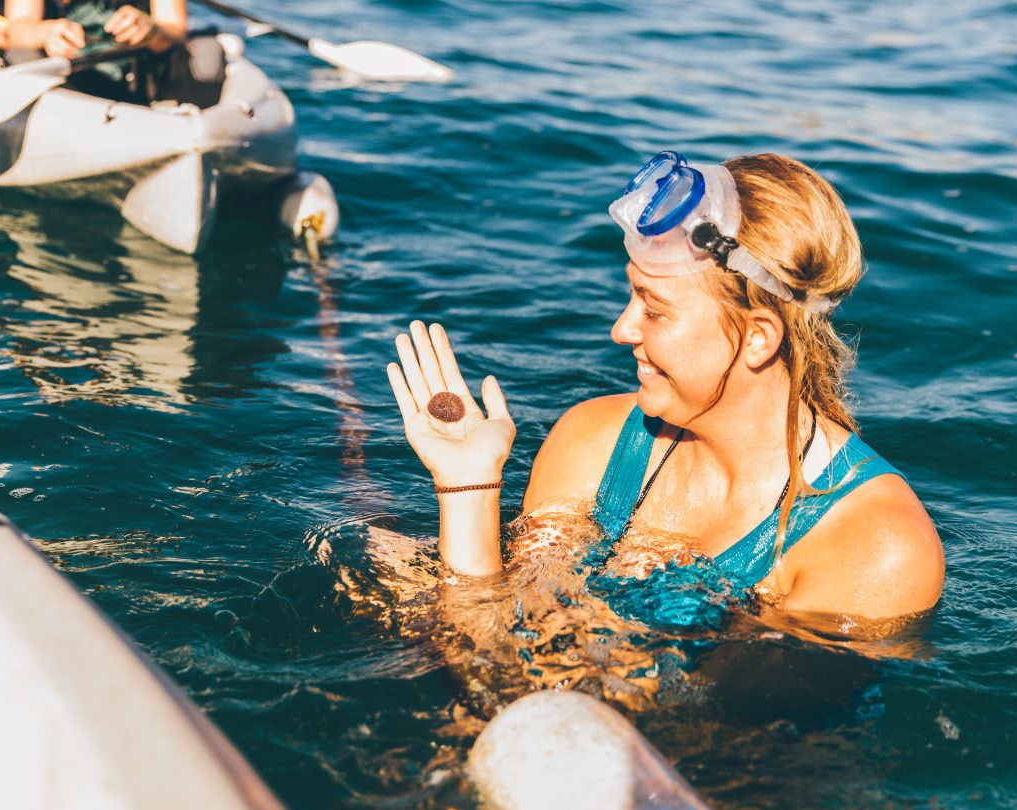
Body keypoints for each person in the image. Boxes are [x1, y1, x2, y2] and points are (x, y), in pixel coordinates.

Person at [387, 150, 944, 624]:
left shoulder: (876, 548)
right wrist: (468, 488)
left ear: (757, 337)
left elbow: (736, 741)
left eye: (653, 310)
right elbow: (493, 642)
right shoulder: (594, 440)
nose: (620, 330)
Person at [0, 0, 189, 101]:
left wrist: (150, 29)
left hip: (133, 76)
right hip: (63, 77)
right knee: (22, 55)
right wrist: (48, 32)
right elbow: (18, 27)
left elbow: (174, 29)